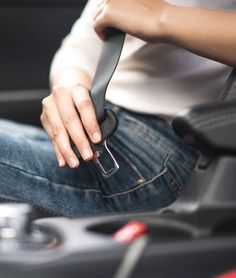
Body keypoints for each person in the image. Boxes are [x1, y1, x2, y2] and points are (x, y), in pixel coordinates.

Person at [0, 0, 236, 217]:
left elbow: (145, 14)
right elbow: (82, 45)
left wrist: (162, 17)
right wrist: (71, 88)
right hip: (103, 122)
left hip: (165, 153)